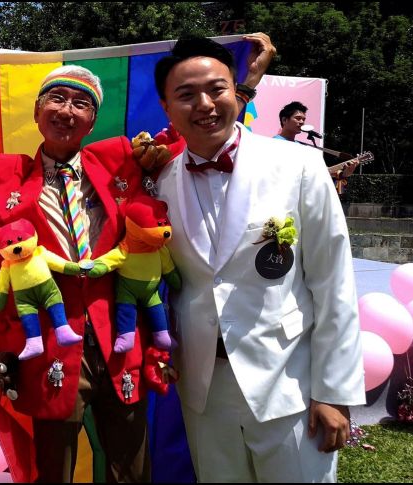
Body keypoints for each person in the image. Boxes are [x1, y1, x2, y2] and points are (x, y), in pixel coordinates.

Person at [0, 33, 275, 483]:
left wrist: (247, 82)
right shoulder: (0, 175)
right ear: (37, 112)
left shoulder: (121, 160)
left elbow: (191, 128)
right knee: (52, 471)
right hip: (49, 347)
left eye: (81, 103)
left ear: (92, 121)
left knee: (131, 469)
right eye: (57, 98)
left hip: (121, 339)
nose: (67, 110)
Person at [152, 36, 365, 482]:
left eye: (216, 89)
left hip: (289, 382)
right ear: (166, 107)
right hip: (203, 390)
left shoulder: (298, 165)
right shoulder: (160, 184)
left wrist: (333, 391)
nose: (204, 104)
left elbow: (333, 283)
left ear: (237, 92)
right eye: (186, 95)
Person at [274, 101, 360, 189]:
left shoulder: (301, 147)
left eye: (303, 119)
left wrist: (345, 173)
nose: (302, 122)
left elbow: (314, 172)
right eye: (298, 118)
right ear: (284, 120)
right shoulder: (274, 144)